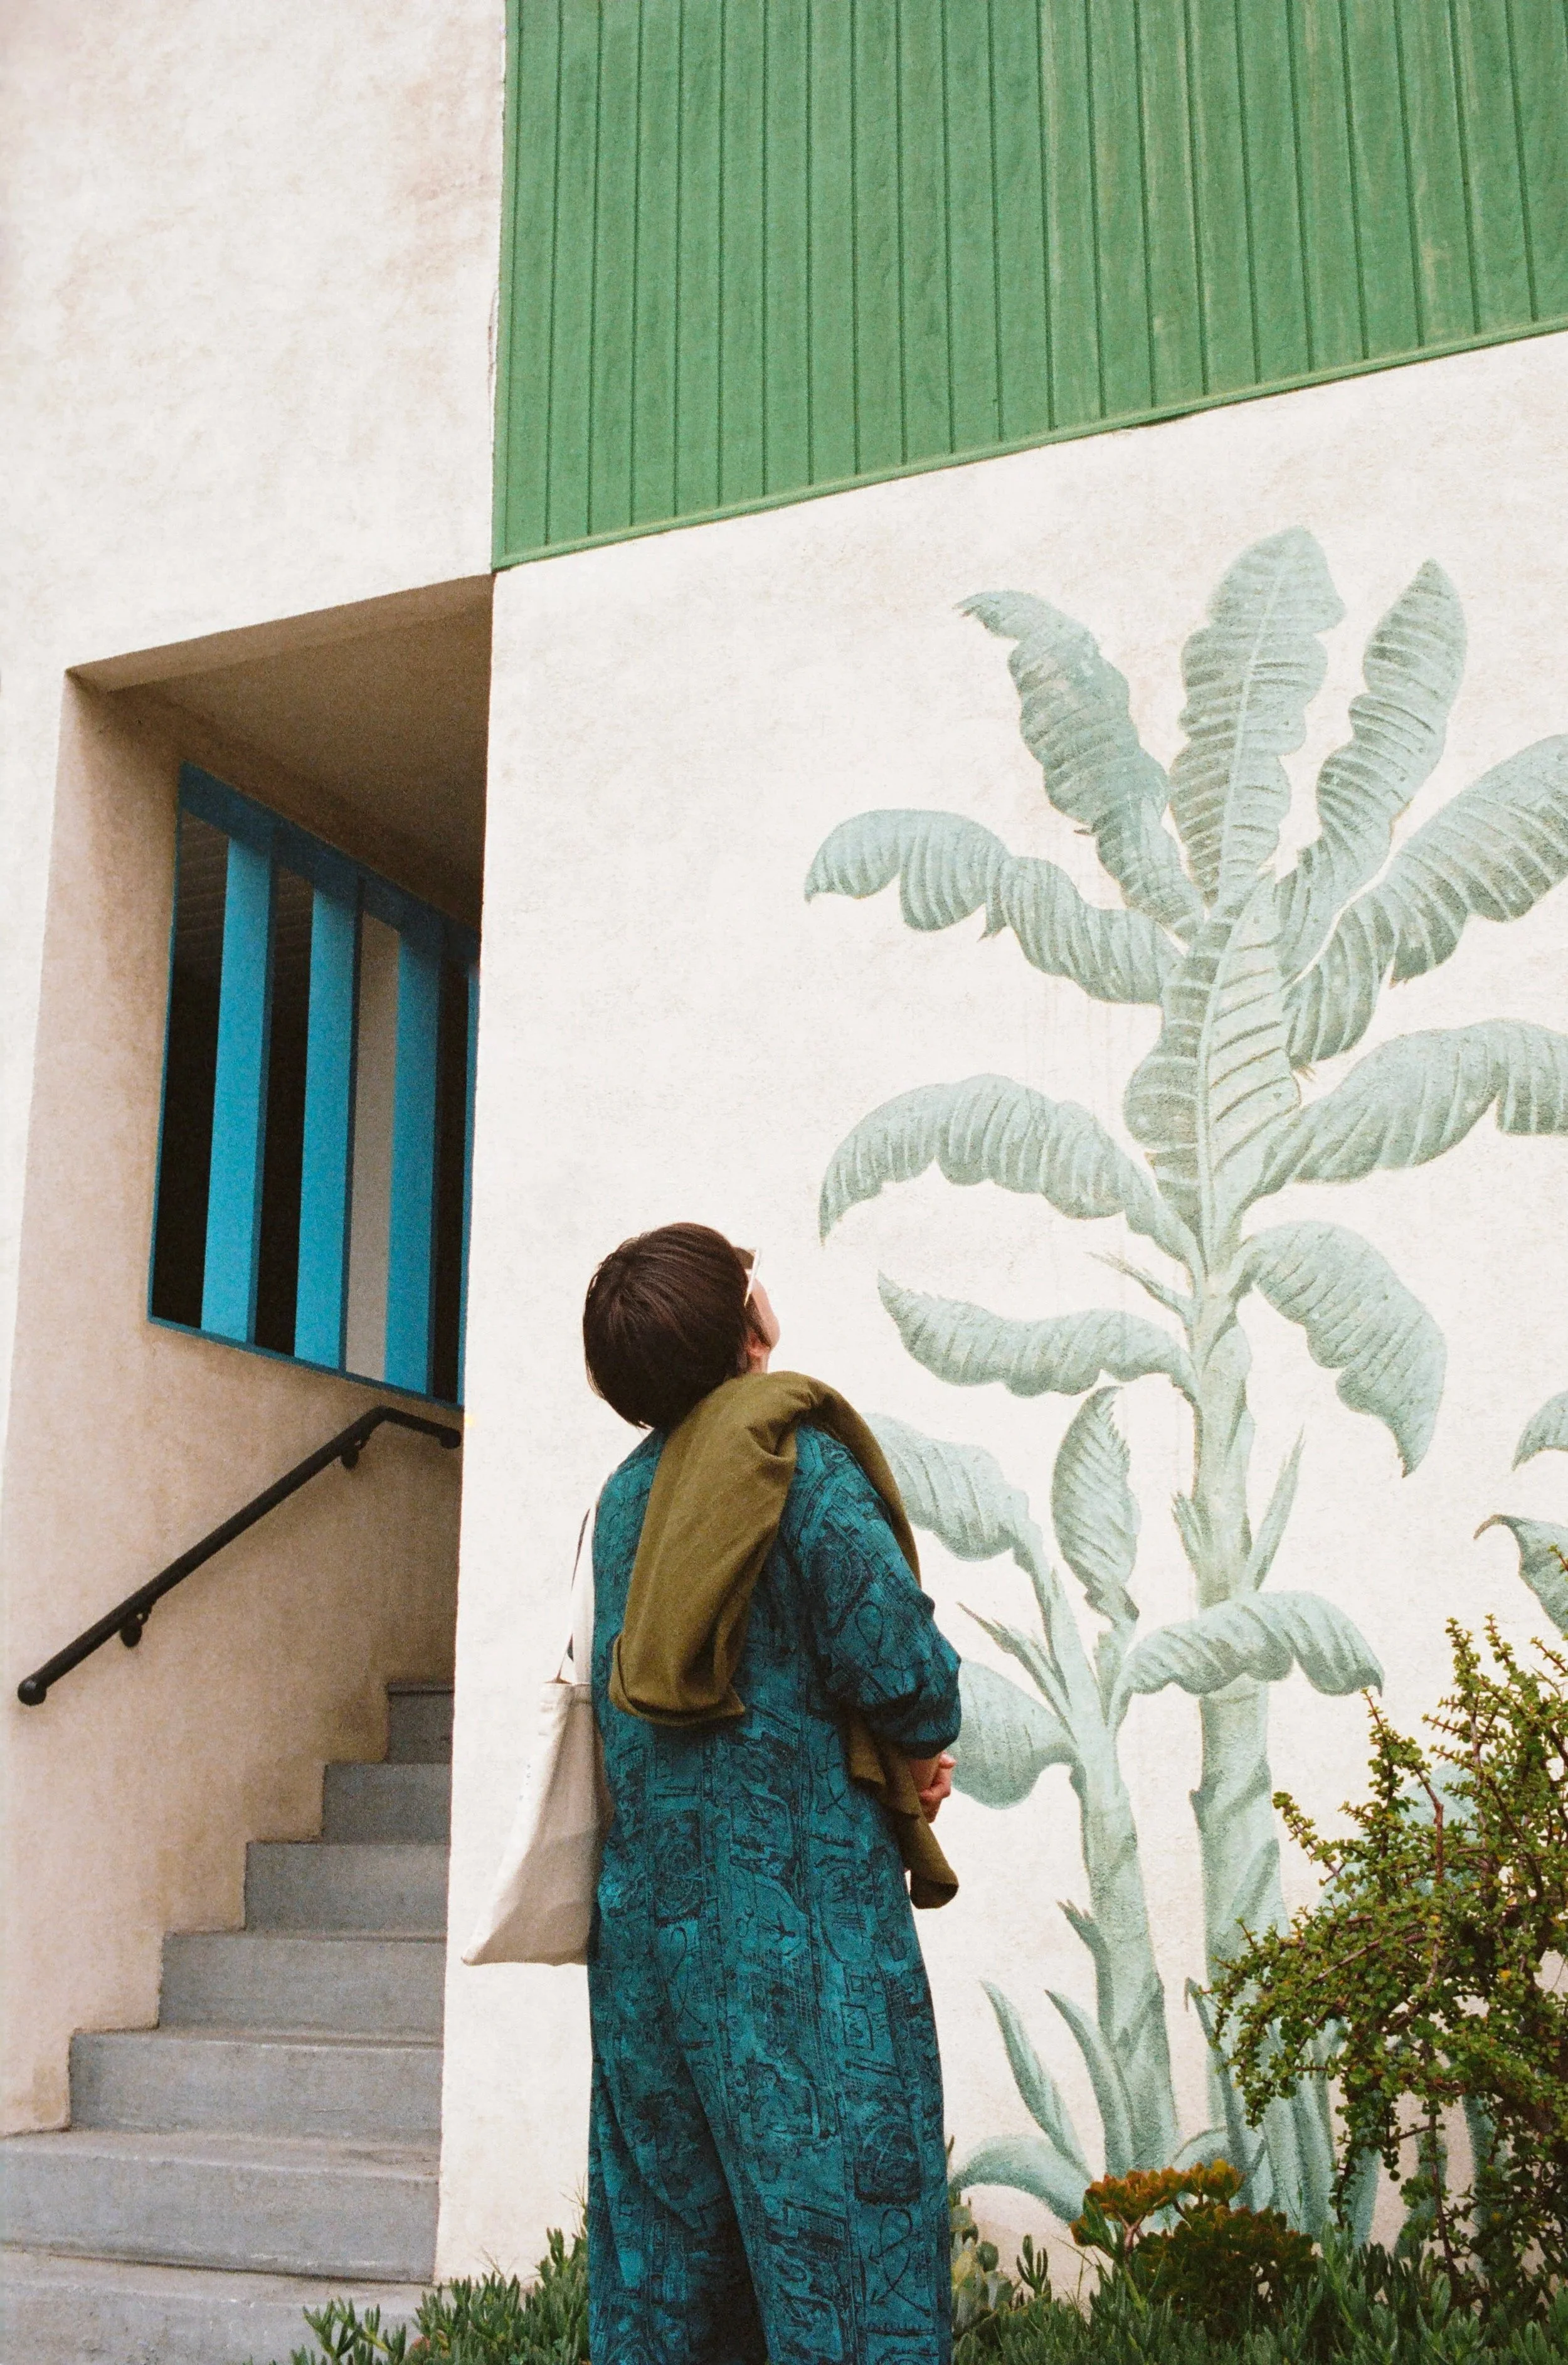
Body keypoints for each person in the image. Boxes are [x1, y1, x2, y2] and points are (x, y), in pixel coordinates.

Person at [581, 1221, 962, 2365]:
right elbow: (905, 1671)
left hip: (651, 1949)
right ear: (744, 1324)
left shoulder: (624, 1501)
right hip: (802, 1936)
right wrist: (916, 1745)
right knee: (846, 2258)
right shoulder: (791, 1462)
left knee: (671, 2275)